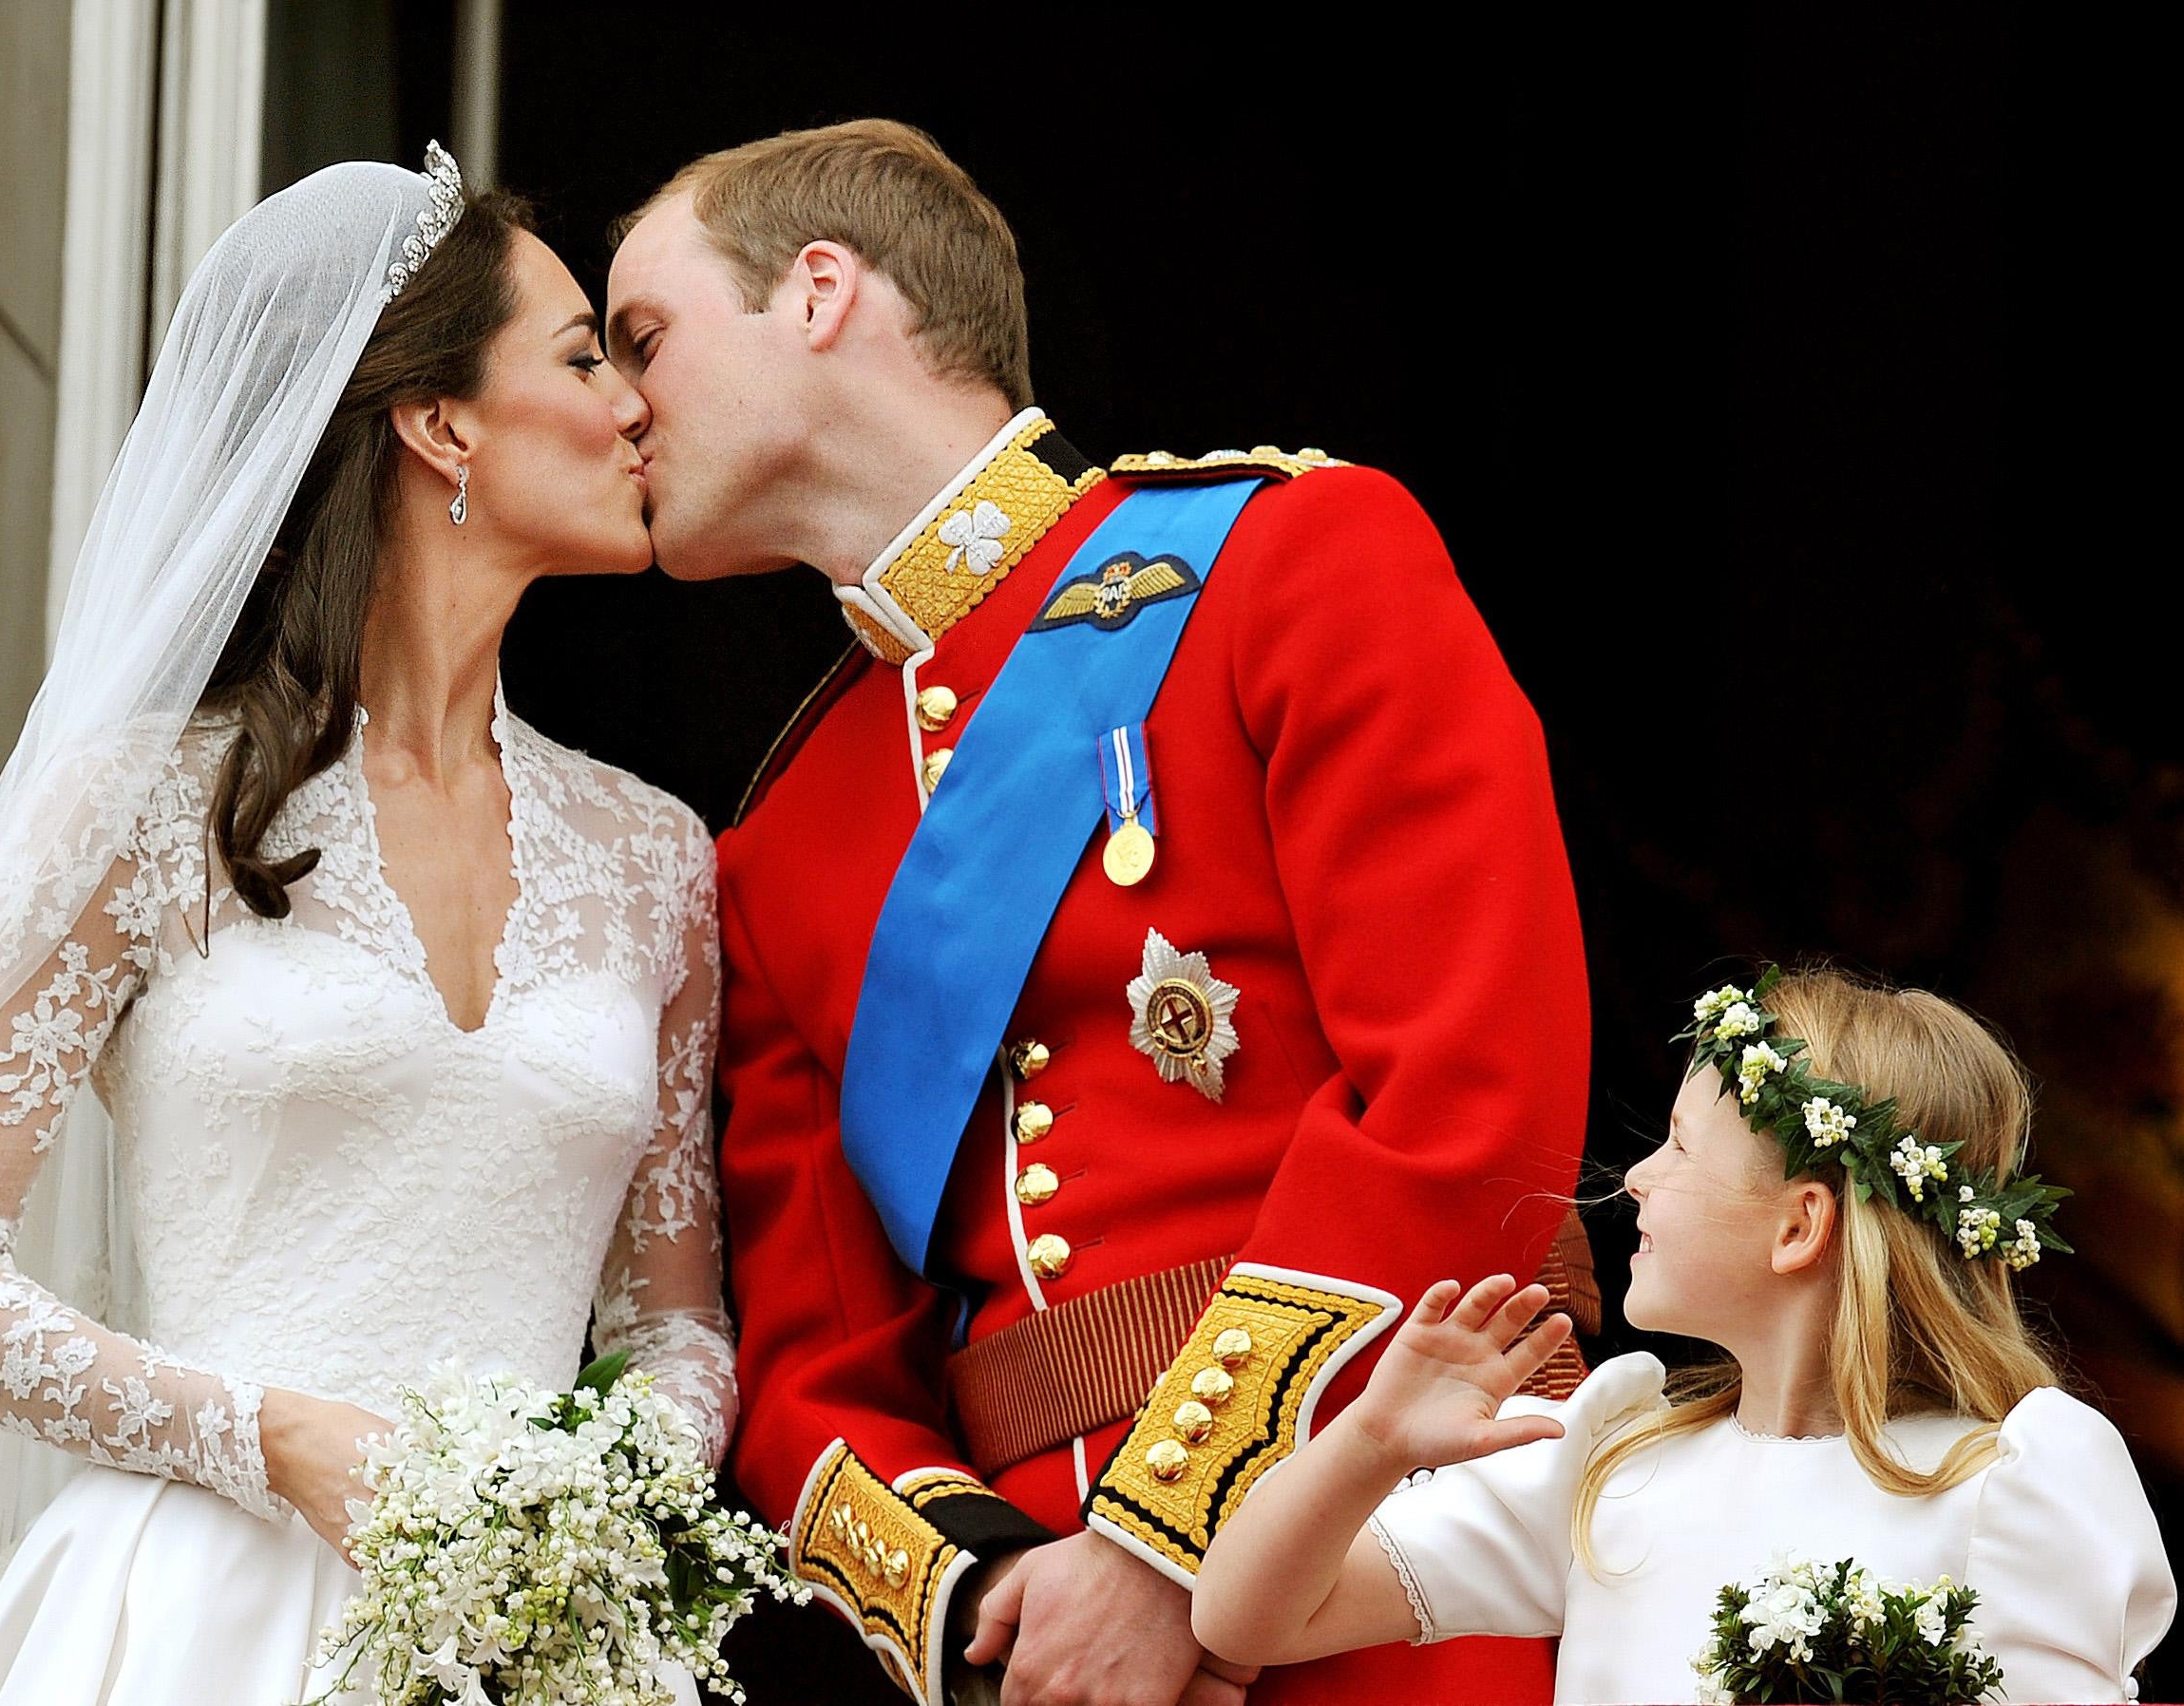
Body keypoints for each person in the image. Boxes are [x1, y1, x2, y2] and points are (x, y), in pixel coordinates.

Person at [0, 148, 731, 1705]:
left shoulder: (658, 859)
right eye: (586, 358)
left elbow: (680, 1327)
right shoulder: (141, 808)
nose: (635, 404)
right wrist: (270, 1436)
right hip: (185, 1624)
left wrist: (578, 1511)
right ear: (442, 421)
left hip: (537, 1651)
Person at [606, 120, 1592, 1706]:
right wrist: (998, 1611)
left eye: (643, 337)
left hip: (1390, 1565)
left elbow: (1470, 1106)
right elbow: (810, 1369)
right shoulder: (780, 841)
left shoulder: (1291, 562)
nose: (618, 405)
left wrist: (1161, 1544)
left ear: (819, 290)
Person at [1191, 965, 2177, 1704]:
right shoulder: (1612, 1460)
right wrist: (1371, 1444)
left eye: (1679, 1144)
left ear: (1799, 1226)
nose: (1637, 1177)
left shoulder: (2006, 1484)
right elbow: (1245, 1615)